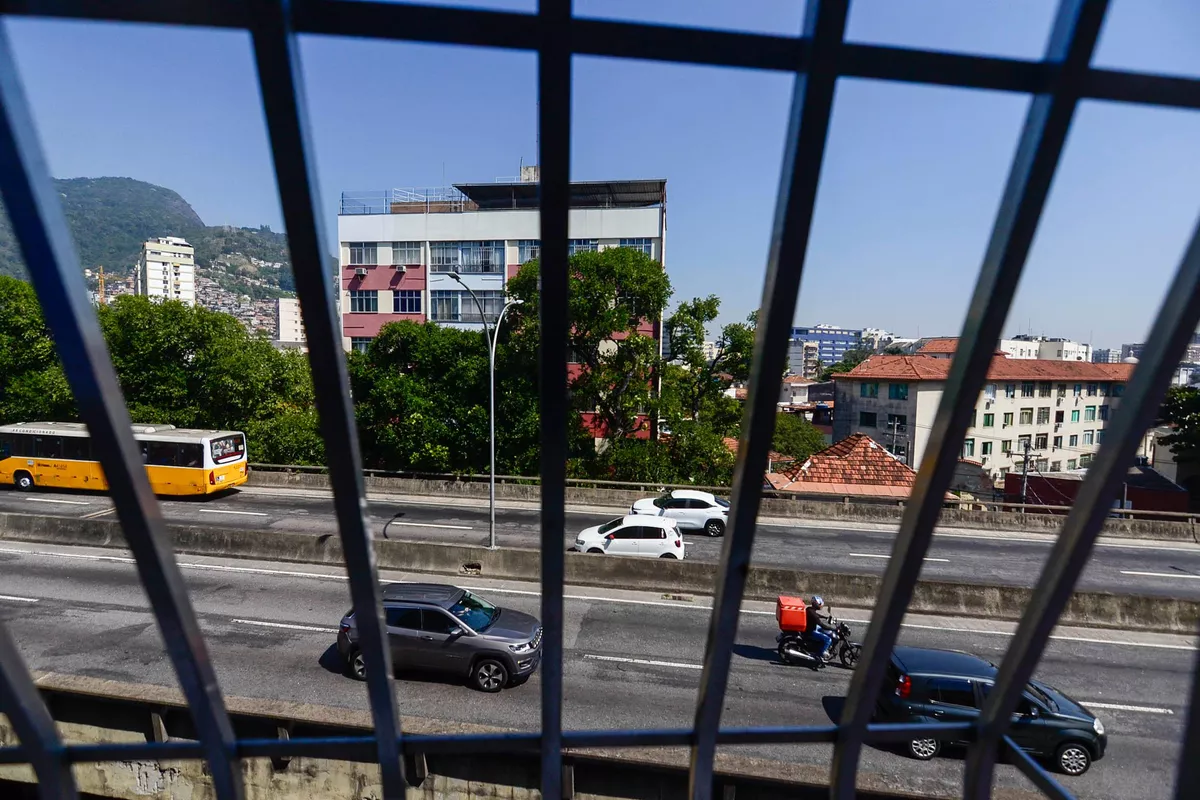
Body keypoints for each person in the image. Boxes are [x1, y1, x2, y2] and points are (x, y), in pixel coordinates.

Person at [805, 595, 834, 663]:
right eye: (820, 604)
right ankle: (819, 655)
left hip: (810, 627)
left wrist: (825, 617)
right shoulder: (813, 615)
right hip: (810, 631)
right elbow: (822, 625)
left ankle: (819, 646)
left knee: (822, 630)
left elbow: (817, 615)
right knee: (828, 639)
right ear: (816, 604)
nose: (821, 605)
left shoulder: (810, 609)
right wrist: (833, 629)